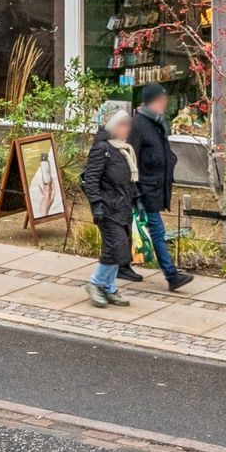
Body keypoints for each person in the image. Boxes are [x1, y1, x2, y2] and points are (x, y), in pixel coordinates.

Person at [128, 82, 192, 291]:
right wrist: (134, 190)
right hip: (145, 188)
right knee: (157, 230)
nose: (164, 104)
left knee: (129, 227)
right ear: (150, 102)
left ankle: (118, 264)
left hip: (156, 186)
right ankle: (171, 275)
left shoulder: (157, 123)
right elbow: (130, 157)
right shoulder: (138, 125)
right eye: (160, 100)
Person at [81, 102, 138, 307]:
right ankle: (96, 283)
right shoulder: (102, 149)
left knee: (119, 249)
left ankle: (110, 287)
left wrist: (135, 198)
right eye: (124, 126)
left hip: (122, 206)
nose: (127, 130)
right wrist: (96, 204)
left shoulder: (123, 150)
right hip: (107, 208)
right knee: (116, 247)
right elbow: (91, 178)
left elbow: (127, 180)